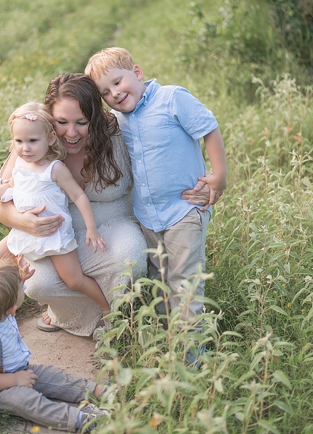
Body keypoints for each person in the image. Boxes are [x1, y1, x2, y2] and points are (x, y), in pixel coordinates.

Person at [0, 74, 151, 336]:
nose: (71, 133)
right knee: (38, 282)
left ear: (95, 119)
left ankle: (119, 316)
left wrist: (204, 183)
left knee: (129, 256)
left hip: (113, 224)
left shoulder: (118, 132)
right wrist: (23, 222)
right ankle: (68, 314)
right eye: (62, 123)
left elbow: (160, 160)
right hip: (54, 234)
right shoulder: (34, 142)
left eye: (82, 122)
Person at [85, 47, 227, 329]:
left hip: (184, 210)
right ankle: (169, 338)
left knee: (184, 282)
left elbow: (208, 129)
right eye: (105, 92)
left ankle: (191, 356)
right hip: (148, 216)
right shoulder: (118, 119)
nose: (113, 93)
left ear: (137, 73)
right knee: (159, 281)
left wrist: (219, 177)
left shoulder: (171, 99)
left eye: (117, 82)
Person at [0, 103, 112, 320]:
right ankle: (7, 301)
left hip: (54, 234)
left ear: (51, 139)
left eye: (33, 141)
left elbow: (79, 196)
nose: (25, 148)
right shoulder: (21, 167)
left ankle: (106, 308)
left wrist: (91, 229)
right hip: (27, 231)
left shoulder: (54, 169)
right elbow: (10, 188)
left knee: (73, 280)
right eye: (19, 141)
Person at [0, 256, 109, 433]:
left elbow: (2, 292)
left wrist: (19, 277)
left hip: (14, 369)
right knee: (27, 401)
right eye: (20, 289)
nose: (23, 288)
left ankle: (97, 391)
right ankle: (80, 419)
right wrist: (14, 380)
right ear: (12, 310)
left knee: (52, 377)